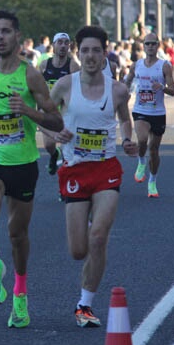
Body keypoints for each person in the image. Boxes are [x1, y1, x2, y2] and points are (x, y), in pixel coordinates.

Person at [0, 10, 63, 329]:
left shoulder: (31, 76)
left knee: (18, 235)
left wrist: (28, 111)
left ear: (18, 36)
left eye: (6, 31)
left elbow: (56, 121)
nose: (0, 37)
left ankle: (20, 295)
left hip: (22, 163)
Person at [50, 26, 138, 327]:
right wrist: (54, 132)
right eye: (84, 50)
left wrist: (128, 139)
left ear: (104, 54)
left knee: (98, 238)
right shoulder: (63, 86)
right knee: (78, 251)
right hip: (74, 170)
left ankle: (84, 305)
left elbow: (126, 121)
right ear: (78, 51)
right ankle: (88, 223)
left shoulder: (117, 90)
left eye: (96, 51)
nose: (90, 56)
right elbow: (44, 118)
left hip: (105, 169)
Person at [124, 31, 174, 198]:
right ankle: (141, 162)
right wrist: (123, 92)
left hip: (158, 112)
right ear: (143, 46)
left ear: (158, 46)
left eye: (154, 43)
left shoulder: (164, 66)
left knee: (154, 150)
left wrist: (162, 88)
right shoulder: (136, 65)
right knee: (141, 140)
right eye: (148, 44)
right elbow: (127, 81)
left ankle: (152, 180)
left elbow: (173, 90)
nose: (150, 46)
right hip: (141, 110)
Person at [38, 32, 80, 174]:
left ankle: (64, 186)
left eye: (66, 43)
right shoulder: (44, 65)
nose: (63, 46)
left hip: (65, 109)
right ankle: (53, 154)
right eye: (60, 42)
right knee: (49, 145)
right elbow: (38, 86)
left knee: (65, 148)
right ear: (53, 45)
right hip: (49, 108)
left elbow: (78, 90)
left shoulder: (73, 66)